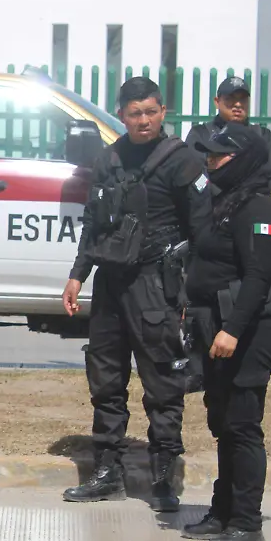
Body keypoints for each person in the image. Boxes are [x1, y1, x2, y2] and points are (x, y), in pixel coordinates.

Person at [61, 76, 212, 511]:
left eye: (150, 112)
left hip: (156, 285)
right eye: (134, 114)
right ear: (122, 115)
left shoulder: (181, 162)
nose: (143, 121)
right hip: (110, 282)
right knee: (105, 379)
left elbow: (202, 229)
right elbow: (94, 220)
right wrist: (77, 274)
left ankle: (163, 477)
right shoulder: (109, 158)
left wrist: (191, 290)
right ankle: (106, 470)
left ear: (163, 112)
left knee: (162, 381)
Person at [181, 123, 271, 541]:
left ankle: (247, 523)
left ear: (242, 161)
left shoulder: (258, 206)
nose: (210, 161)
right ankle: (222, 512)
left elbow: (259, 278)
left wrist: (231, 330)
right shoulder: (223, 200)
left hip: (249, 330)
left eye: (219, 156)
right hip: (218, 327)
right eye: (208, 155)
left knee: (243, 426)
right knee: (223, 423)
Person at [185, 76, 271, 191]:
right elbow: (193, 177)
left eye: (243, 99)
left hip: (252, 203)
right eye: (230, 98)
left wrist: (244, 193)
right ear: (217, 102)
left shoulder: (263, 136)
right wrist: (218, 193)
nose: (238, 104)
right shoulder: (200, 135)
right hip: (212, 205)